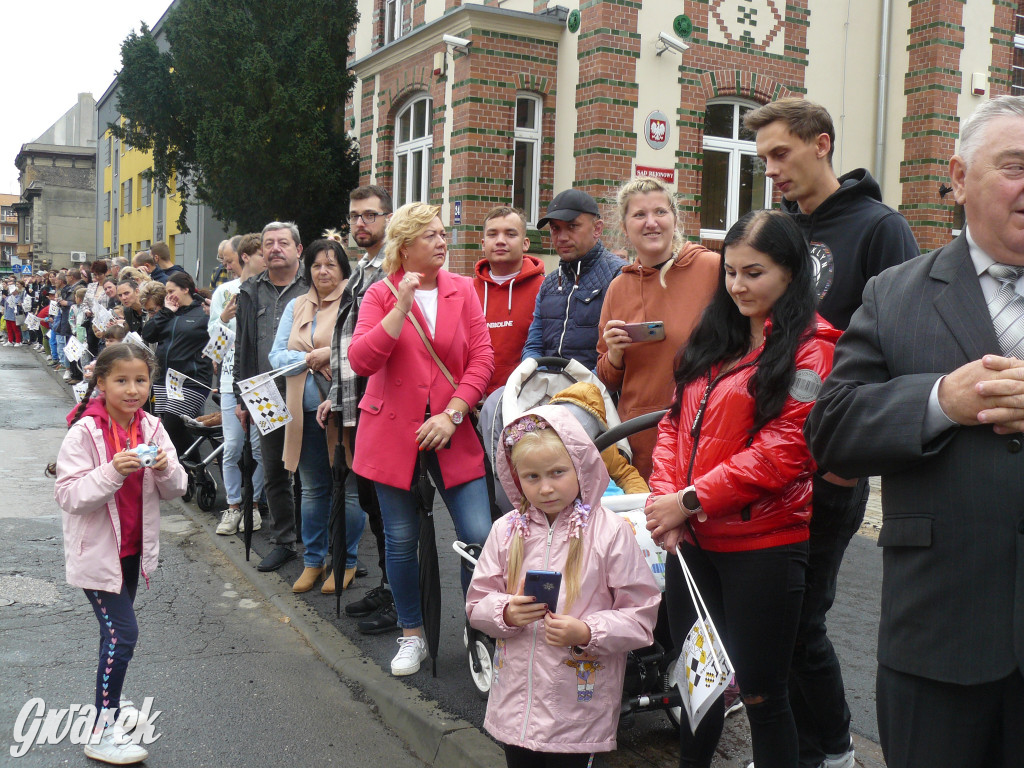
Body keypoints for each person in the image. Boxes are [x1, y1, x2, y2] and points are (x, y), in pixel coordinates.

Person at [805, 95, 1024, 768]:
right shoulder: (896, 294)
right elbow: (831, 429)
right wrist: (939, 400)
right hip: (940, 642)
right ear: (958, 179)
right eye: (1015, 167)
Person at [744, 97, 920, 768]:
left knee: (802, 621)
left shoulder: (880, 229)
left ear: (822, 144)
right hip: (768, 456)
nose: (771, 171)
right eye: (762, 160)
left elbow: (901, 348)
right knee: (774, 623)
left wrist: (853, 456)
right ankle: (797, 749)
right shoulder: (779, 229)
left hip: (831, 462)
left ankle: (834, 750)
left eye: (780, 154)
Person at [645, 210, 839, 768]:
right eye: (730, 273)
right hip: (694, 544)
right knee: (695, 684)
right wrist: (668, 505)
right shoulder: (717, 337)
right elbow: (671, 426)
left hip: (764, 546)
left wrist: (685, 501)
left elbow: (787, 450)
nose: (737, 286)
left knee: (760, 694)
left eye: (754, 273)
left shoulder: (812, 348)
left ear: (791, 272)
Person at [466, 406, 661, 766]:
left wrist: (587, 631)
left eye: (558, 472)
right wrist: (505, 612)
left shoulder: (610, 532)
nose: (546, 487)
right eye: (532, 476)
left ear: (581, 466)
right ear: (515, 477)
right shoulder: (506, 530)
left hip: (577, 709)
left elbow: (641, 615)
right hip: (516, 708)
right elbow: (477, 603)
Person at [349, 202, 494, 676]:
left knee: (477, 535)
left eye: (441, 232)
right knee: (402, 539)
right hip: (392, 432)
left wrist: (453, 414)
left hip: (451, 431)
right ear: (405, 245)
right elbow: (361, 361)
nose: (441, 241)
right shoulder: (379, 294)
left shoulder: (462, 290)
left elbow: (482, 360)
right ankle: (411, 633)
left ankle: (478, 630)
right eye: (429, 235)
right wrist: (401, 310)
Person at [53, 343, 187, 765]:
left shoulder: (151, 428)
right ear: (101, 383)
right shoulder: (84, 432)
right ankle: (102, 730)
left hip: (132, 551)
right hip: (97, 555)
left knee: (114, 636)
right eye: (121, 380)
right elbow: (69, 495)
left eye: (141, 380)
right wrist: (112, 470)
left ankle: (110, 699)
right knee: (123, 635)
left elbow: (177, 488)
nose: (133, 390)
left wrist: (165, 466)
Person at [597, 177, 720, 480]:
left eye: (660, 212)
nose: (651, 223)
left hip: (700, 430)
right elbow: (607, 380)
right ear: (625, 228)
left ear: (675, 219)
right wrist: (614, 354)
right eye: (639, 215)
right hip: (639, 436)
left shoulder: (712, 269)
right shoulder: (618, 287)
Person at [319, 185, 398, 634]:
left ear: (388, 219)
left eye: (370, 215)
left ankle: (401, 596)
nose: (360, 223)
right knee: (371, 501)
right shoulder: (364, 268)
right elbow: (348, 341)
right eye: (354, 216)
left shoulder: (393, 268)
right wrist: (336, 398)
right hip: (356, 403)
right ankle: (390, 585)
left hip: (383, 406)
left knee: (392, 509)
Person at [270, 238, 362, 594]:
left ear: (342, 270)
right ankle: (314, 561)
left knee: (348, 490)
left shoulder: (355, 303)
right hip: (302, 411)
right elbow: (275, 356)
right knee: (312, 489)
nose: (323, 272)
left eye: (331, 265)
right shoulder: (296, 306)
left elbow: (360, 349)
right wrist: (308, 359)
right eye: (316, 265)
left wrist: (330, 354)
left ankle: (347, 561)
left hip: (343, 410)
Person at [234, 221, 309, 572]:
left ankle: (322, 545)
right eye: (268, 243)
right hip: (264, 392)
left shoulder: (315, 285)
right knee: (275, 472)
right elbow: (242, 345)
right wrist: (240, 395)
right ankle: (284, 541)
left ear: (298, 249)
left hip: (308, 390)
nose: (275, 248)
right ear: (261, 252)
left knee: (315, 473)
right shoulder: (250, 290)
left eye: (283, 242)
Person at [522, 189, 626, 370]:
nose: (562, 237)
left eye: (572, 226)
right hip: (547, 391)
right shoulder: (549, 284)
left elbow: (620, 353)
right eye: (555, 228)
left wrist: (578, 391)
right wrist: (539, 380)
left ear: (597, 228)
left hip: (598, 393)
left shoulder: (619, 276)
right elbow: (533, 345)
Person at [209, 233, 266, 537]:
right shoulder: (226, 292)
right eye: (261, 254)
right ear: (246, 256)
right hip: (233, 380)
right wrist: (223, 318)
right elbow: (214, 349)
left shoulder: (271, 289)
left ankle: (253, 505)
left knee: (259, 448)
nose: (268, 259)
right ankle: (233, 506)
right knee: (232, 446)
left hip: (264, 382)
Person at [473, 206, 545, 395]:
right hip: (472, 402)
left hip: (526, 400)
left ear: (525, 243)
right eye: (492, 234)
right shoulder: (467, 292)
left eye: (510, 234)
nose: (500, 241)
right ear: (483, 243)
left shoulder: (545, 290)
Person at [142, 272, 213, 457]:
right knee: (169, 434)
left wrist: (212, 357)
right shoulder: (169, 313)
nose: (169, 295)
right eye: (166, 292)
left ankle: (199, 474)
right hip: (163, 381)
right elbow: (148, 334)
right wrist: (165, 312)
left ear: (185, 289)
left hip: (191, 380)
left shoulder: (203, 312)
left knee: (172, 428)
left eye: (172, 291)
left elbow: (222, 337)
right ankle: (189, 476)